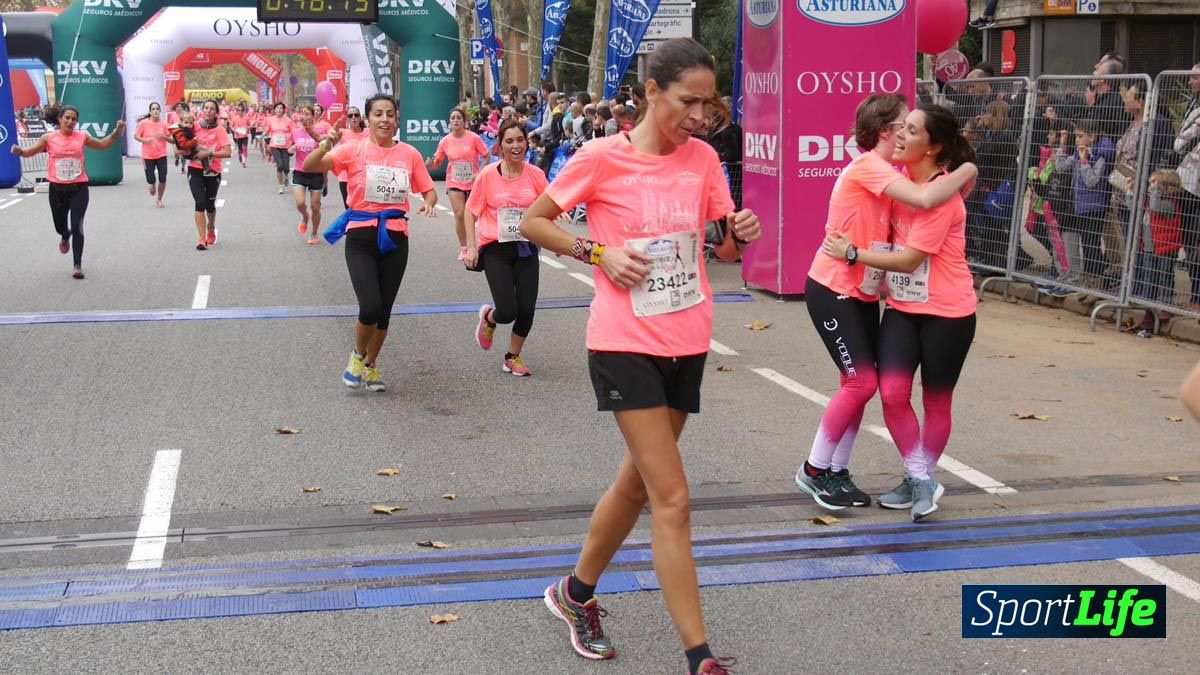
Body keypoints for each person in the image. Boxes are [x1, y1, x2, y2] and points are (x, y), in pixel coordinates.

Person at [519, 38, 758, 675]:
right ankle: (699, 656)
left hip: (688, 337)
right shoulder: (600, 157)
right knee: (673, 498)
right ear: (651, 92)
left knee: (637, 484)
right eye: (689, 101)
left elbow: (725, 248)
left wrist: (739, 232)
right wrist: (600, 254)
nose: (700, 115)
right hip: (623, 341)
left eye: (708, 104)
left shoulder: (705, 158)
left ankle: (573, 594)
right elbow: (534, 222)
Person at [797, 93, 977, 511]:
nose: (905, 133)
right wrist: (967, 166)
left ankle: (843, 471)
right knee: (864, 383)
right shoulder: (871, 167)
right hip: (834, 285)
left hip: (870, 291)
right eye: (903, 125)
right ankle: (814, 469)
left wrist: (963, 166)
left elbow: (935, 194)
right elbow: (926, 198)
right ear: (886, 132)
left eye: (914, 129)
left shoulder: (897, 175)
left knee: (859, 386)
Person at [303, 94, 438, 392]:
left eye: (390, 114)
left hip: (395, 236)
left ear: (397, 119)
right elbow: (312, 166)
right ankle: (357, 356)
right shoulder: (353, 149)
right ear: (368, 119)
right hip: (361, 235)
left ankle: (371, 366)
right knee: (370, 306)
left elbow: (429, 190)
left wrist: (428, 204)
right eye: (378, 114)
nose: (385, 119)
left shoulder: (409, 154)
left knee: (385, 311)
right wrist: (326, 143)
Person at [464, 119, 548, 376]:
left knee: (527, 308)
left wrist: (555, 239)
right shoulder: (488, 175)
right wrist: (471, 247)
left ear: (527, 143)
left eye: (520, 140)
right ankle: (490, 317)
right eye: (509, 141)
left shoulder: (536, 175)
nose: (516, 146)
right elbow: (470, 211)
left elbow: (548, 208)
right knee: (508, 309)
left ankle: (512, 356)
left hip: (525, 248)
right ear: (499, 145)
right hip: (495, 249)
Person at [10, 104, 125, 279]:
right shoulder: (49, 138)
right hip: (57, 189)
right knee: (60, 225)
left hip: (78, 187)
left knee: (78, 226)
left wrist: (117, 131)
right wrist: (20, 151)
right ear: (60, 119)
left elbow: (102, 145)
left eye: (74, 119)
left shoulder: (82, 137)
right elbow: (29, 152)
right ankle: (64, 235)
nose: (70, 121)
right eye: (67, 118)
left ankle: (77, 265)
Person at [426, 108, 490, 260]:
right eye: (453, 118)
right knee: (460, 214)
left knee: (473, 216)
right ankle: (464, 248)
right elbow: (437, 163)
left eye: (458, 118)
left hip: (472, 181)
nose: (456, 120)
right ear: (449, 122)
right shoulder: (445, 141)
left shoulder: (473, 137)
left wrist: (478, 173)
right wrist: (431, 164)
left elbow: (486, 157)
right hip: (454, 181)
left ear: (464, 121)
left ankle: (475, 243)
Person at [187, 100, 233, 251]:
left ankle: (211, 227)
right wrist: (181, 149)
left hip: (213, 171)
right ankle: (202, 238)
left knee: (209, 205)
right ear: (202, 110)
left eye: (212, 109)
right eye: (206, 108)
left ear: (216, 113)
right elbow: (181, 141)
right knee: (199, 202)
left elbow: (227, 152)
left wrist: (209, 153)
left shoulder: (220, 130)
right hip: (195, 169)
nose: (208, 111)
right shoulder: (194, 126)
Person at [289, 105, 327, 245]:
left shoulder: (319, 132)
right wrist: (291, 149)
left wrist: (326, 178)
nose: (304, 116)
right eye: (302, 114)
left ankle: (314, 232)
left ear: (313, 116)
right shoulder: (295, 132)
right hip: (299, 171)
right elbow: (290, 147)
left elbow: (324, 152)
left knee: (315, 207)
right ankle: (305, 216)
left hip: (316, 173)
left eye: (307, 114)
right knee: (300, 203)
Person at [134, 102, 171, 209]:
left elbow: (172, 140)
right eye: (153, 109)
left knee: (163, 178)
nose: (155, 110)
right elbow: (136, 136)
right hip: (147, 156)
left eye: (157, 109)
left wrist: (163, 136)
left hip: (161, 155)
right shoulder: (144, 123)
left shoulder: (164, 124)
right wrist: (145, 140)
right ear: (150, 112)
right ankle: (152, 184)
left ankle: (159, 199)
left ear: (160, 111)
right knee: (150, 179)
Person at [336, 105, 370, 208]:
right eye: (350, 116)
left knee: (365, 208)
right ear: (347, 119)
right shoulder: (342, 133)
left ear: (360, 118)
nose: (353, 117)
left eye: (356, 115)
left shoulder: (369, 132)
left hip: (365, 176)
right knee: (349, 209)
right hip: (345, 177)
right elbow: (326, 139)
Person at [266, 102, 296, 194]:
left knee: (286, 167)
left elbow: (294, 132)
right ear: (274, 110)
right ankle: (280, 186)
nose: (279, 110)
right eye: (277, 108)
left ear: (283, 110)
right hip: (274, 145)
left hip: (286, 146)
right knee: (279, 165)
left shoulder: (288, 120)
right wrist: (265, 139)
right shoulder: (270, 119)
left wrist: (293, 143)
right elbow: (267, 131)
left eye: (281, 108)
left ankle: (286, 176)